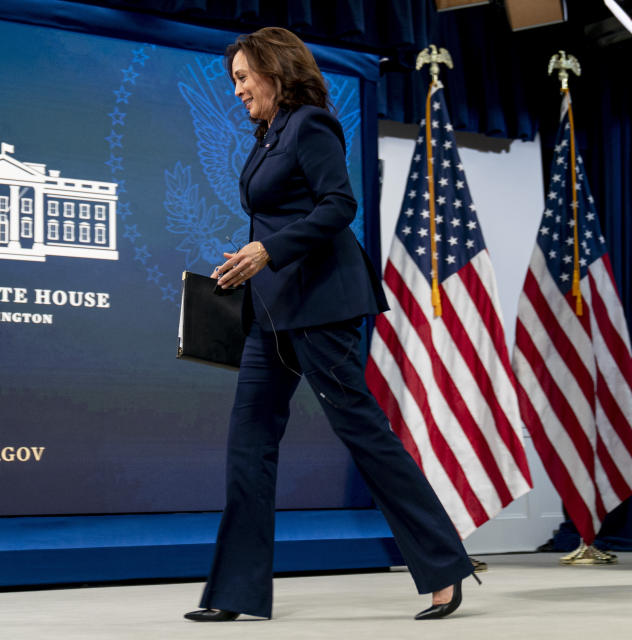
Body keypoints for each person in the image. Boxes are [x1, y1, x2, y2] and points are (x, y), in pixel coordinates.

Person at [184, 26, 477, 623]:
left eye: (243, 76)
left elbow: (339, 205)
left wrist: (269, 252)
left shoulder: (311, 123)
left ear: (274, 69)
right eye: (234, 79)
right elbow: (276, 217)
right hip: (273, 312)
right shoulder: (267, 136)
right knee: (249, 444)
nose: (237, 89)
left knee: (363, 434)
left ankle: (444, 568)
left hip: (323, 306)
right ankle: (234, 593)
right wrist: (248, 262)